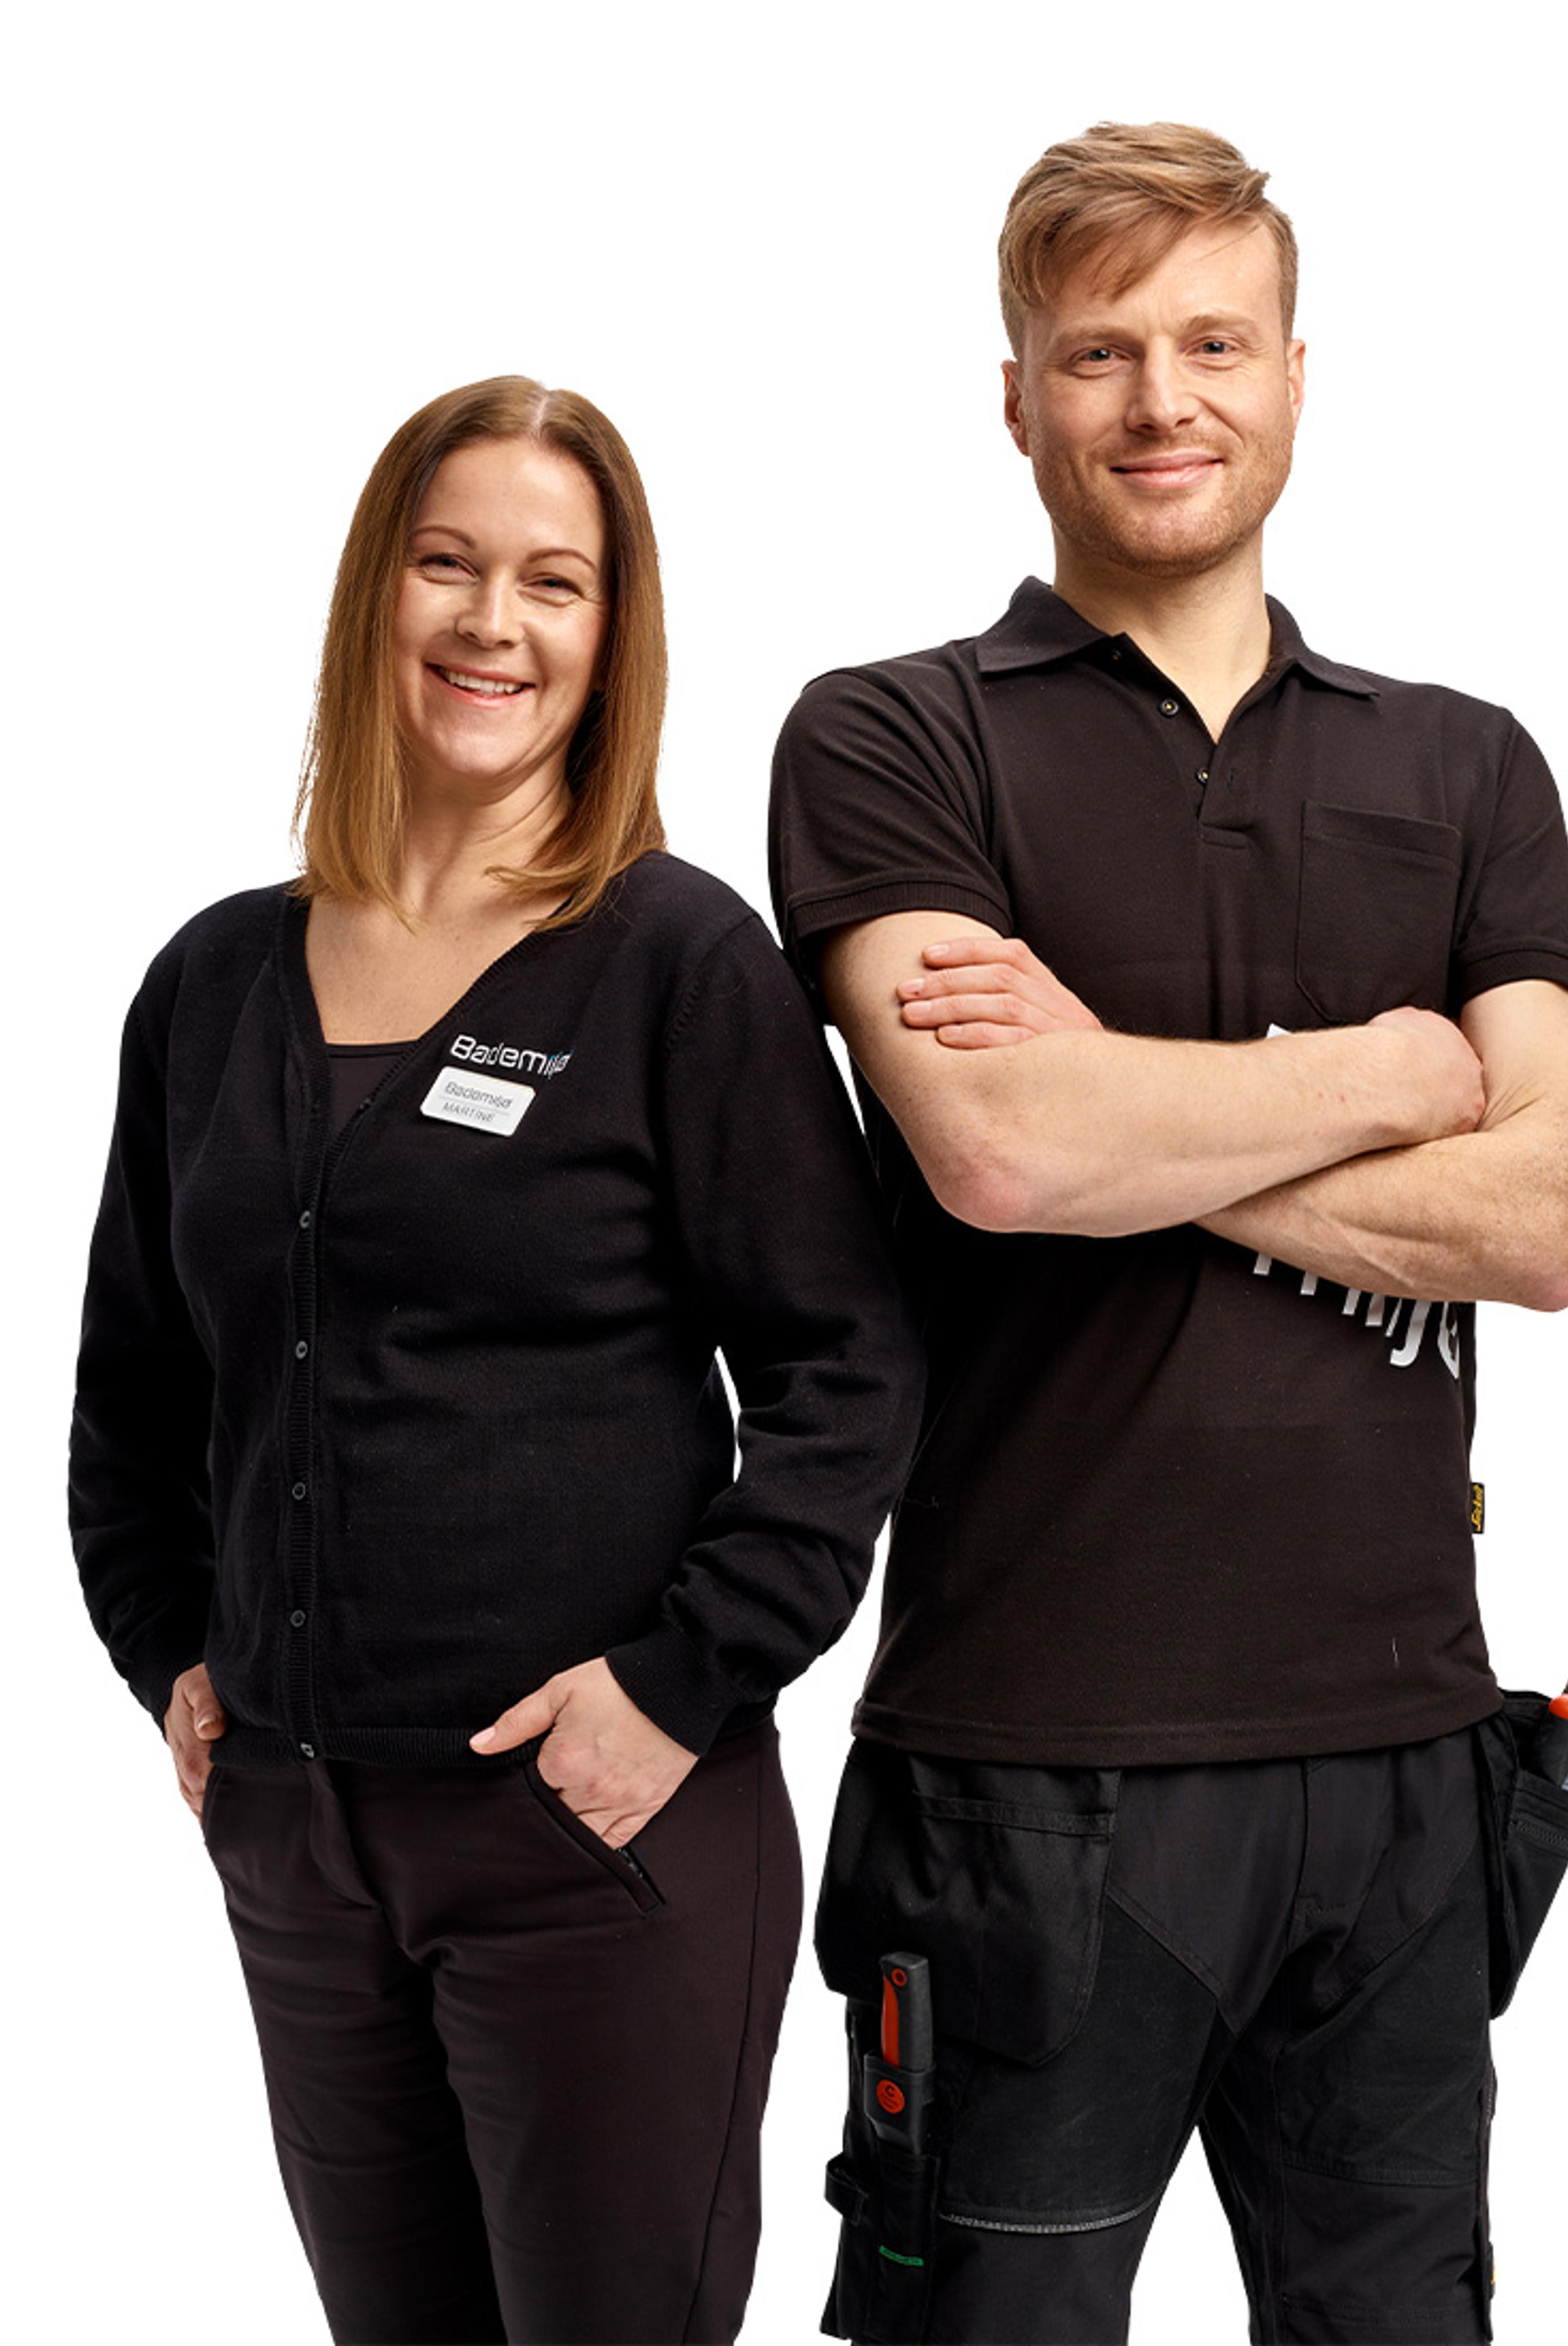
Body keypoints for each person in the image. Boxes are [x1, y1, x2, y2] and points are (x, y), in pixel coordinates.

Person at [769, 124, 1568, 2346]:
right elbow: (997, 1154)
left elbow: (1547, 1222)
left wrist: (1128, 1102)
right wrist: (1402, 1066)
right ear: (1017, 396)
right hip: (1028, 1777)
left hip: (1405, 1772)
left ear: (1297, 376)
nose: (1164, 398)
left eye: (1215, 342)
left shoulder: (1467, 768)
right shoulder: (895, 737)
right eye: (1100, 352)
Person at [69, 375, 922, 2346]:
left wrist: (679, 1686)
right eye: (447, 564)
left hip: (596, 1834)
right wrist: (172, 1655)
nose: (491, 623)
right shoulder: (212, 983)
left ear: (613, 637)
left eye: (555, 582)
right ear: (376, 592)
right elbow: (136, 1393)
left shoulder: (675, 961)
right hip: (298, 1841)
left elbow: (848, 1369)